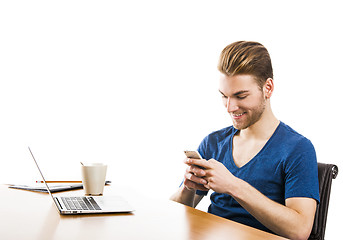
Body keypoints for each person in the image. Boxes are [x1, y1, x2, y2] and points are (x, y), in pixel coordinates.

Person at [170, 41, 320, 240]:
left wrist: (232, 185)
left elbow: (299, 230)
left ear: (268, 88)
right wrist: (188, 188)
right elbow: (172, 214)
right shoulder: (213, 143)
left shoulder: (297, 149)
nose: (230, 107)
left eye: (240, 96)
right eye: (224, 96)